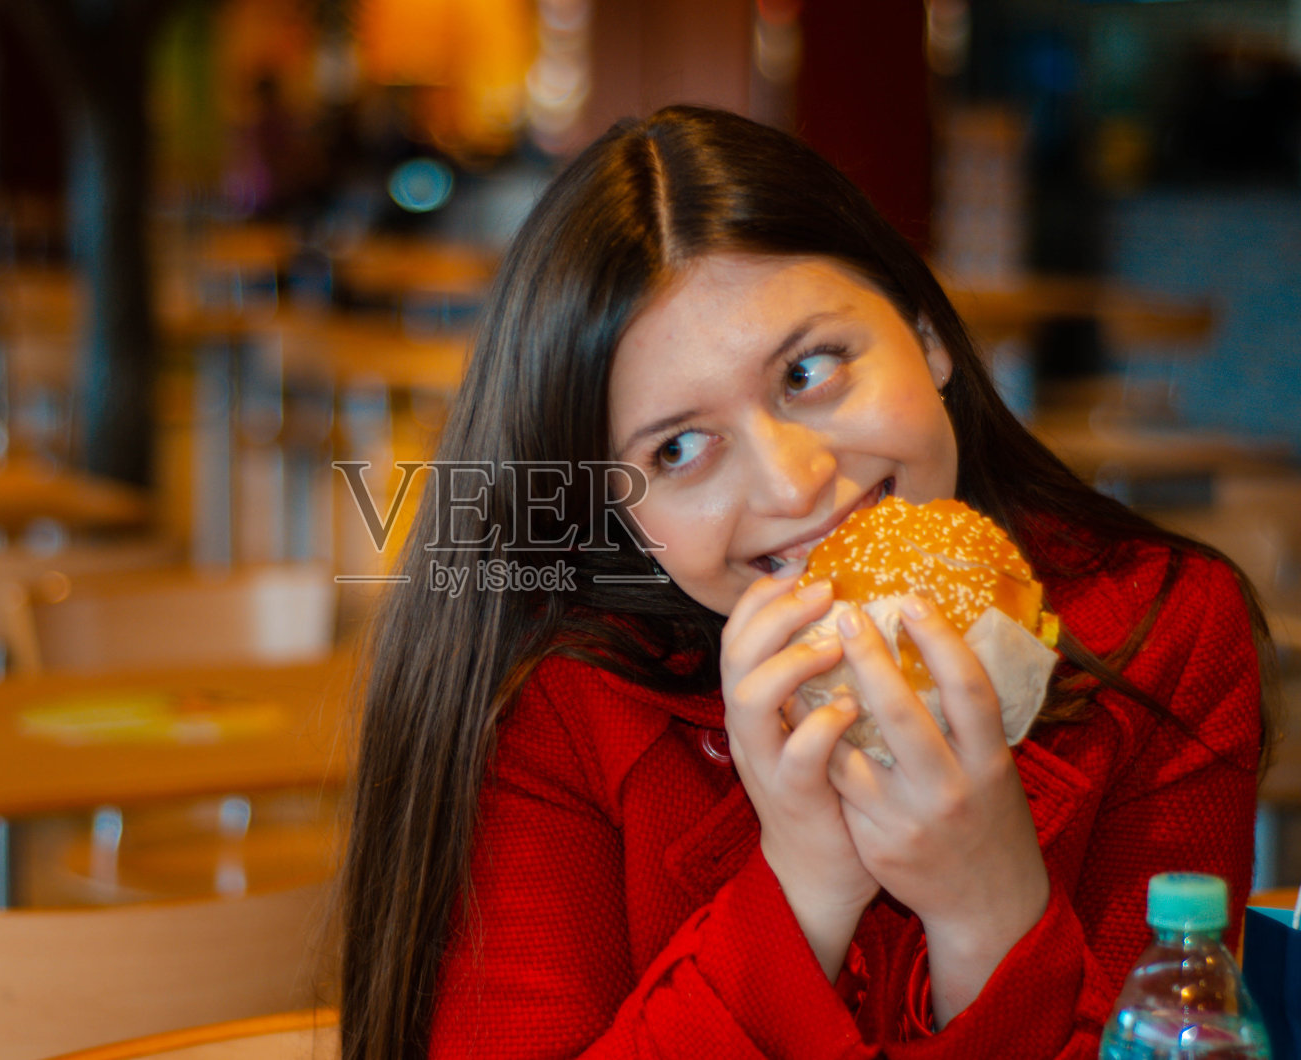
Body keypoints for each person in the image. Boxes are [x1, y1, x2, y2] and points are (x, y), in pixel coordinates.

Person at [338, 105, 1276, 1059]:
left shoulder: (1162, 632)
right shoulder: (561, 708)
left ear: (926, 334)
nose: (793, 484)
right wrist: (802, 886)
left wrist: (988, 913)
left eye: (811, 370)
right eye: (681, 447)